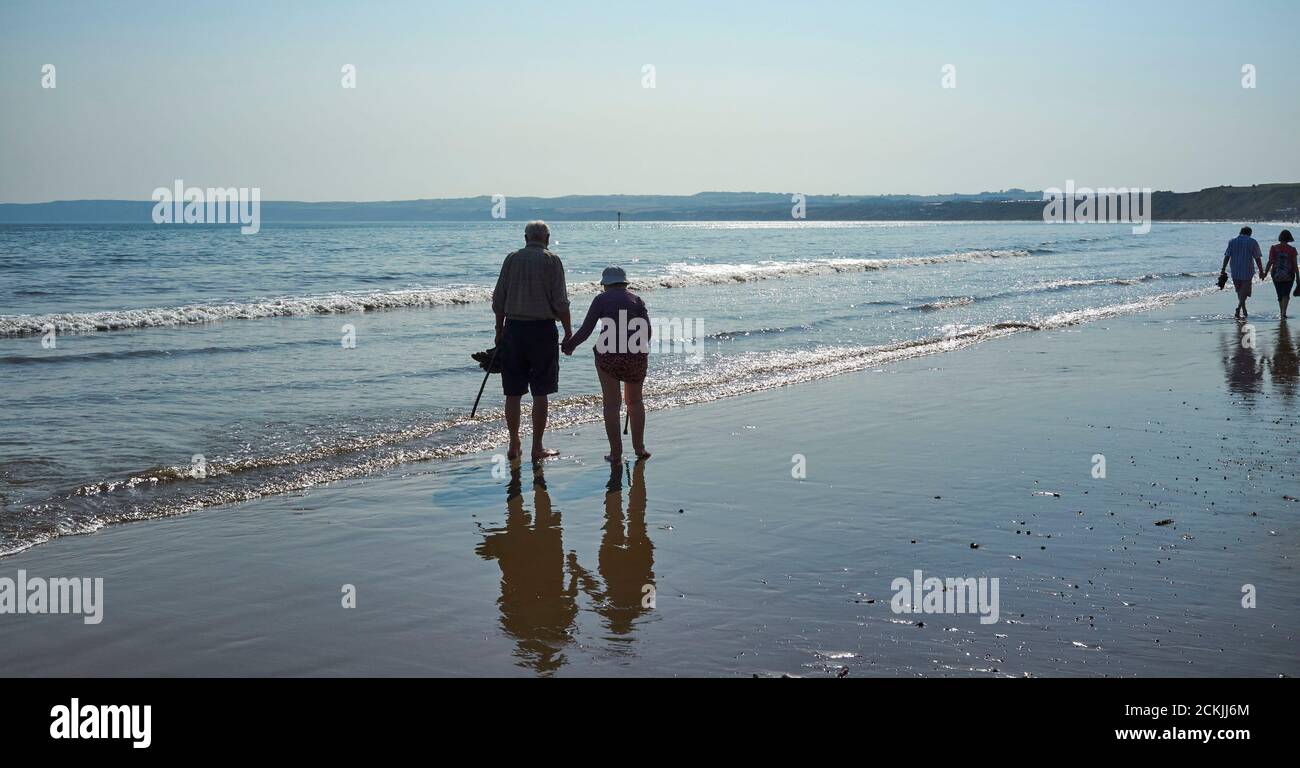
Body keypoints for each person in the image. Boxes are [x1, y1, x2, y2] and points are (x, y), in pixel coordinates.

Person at [491, 221, 572, 462]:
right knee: (540, 392)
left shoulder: (512, 259)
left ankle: (514, 442)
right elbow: (561, 302)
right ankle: (537, 446)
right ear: (547, 238)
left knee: (513, 392)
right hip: (542, 331)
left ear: (526, 237)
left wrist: (498, 330)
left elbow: (499, 299)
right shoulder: (552, 260)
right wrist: (568, 332)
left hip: (513, 329)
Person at [561, 266, 651, 462]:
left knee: (612, 404)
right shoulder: (637, 300)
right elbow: (648, 333)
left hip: (608, 357)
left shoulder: (601, 300)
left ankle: (616, 453)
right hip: (636, 356)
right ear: (625, 283)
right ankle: (640, 448)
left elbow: (586, 330)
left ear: (605, 285)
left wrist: (569, 346)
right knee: (635, 402)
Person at [1220, 226, 1265, 319]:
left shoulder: (1232, 241)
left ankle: (1243, 309)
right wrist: (1261, 270)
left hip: (1235, 269)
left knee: (1239, 291)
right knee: (1244, 291)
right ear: (1250, 233)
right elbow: (1257, 258)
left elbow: (1227, 256)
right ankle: (1239, 308)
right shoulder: (1252, 242)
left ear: (1240, 232)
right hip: (1247, 270)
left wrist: (1223, 268)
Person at [1263, 229, 1298, 319]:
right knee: (1286, 293)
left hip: (1276, 273)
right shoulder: (1292, 249)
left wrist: (1265, 273)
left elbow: (1270, 261)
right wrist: (1298, 277)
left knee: (1279, 294)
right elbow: (1294, 264)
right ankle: (1284, 313)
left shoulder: (1274, 248)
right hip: (1289, 274)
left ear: (1280, 237)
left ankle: (1281, 312)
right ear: (1289, 238)